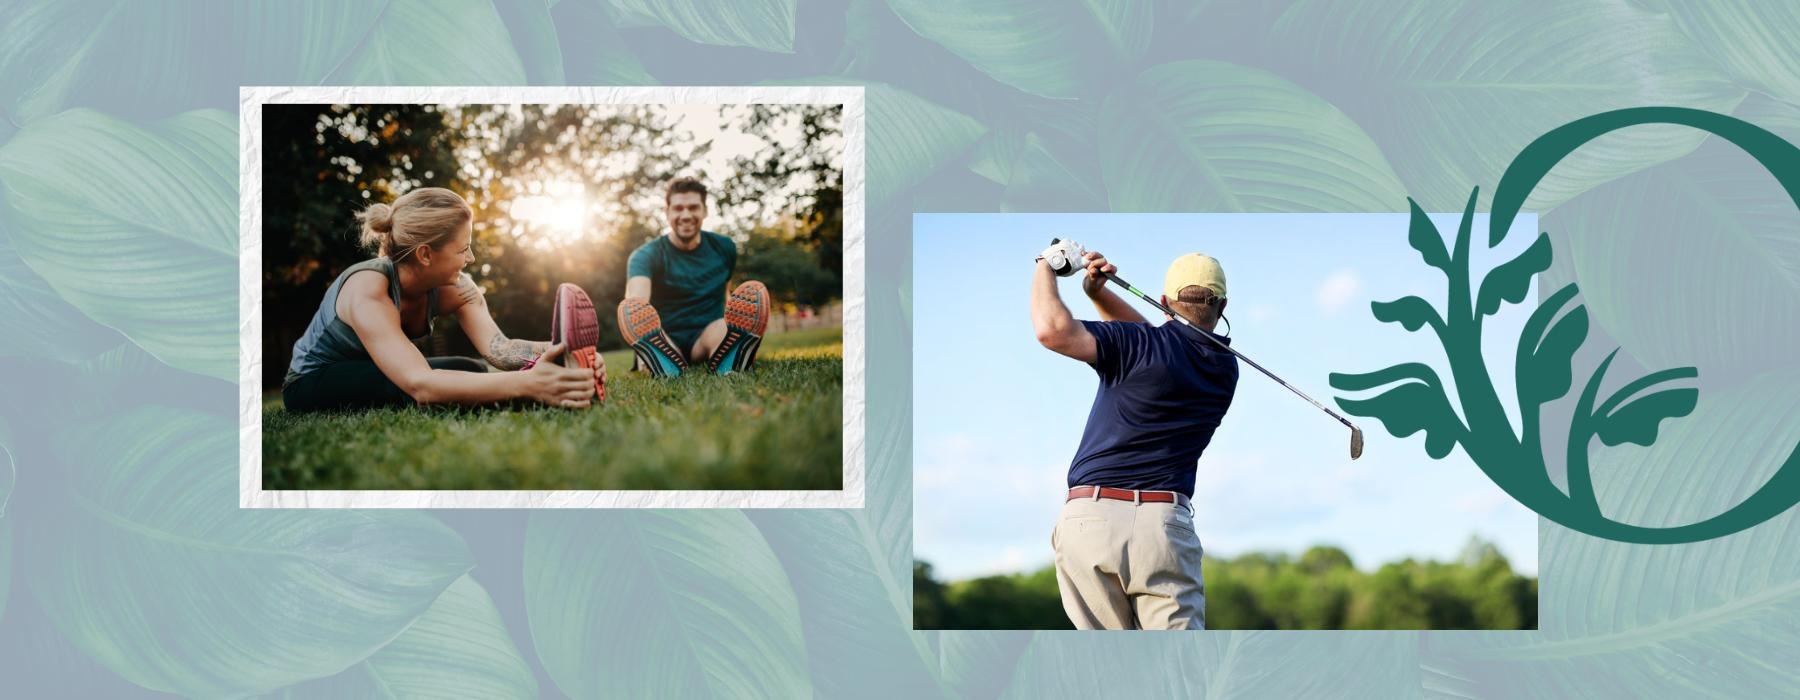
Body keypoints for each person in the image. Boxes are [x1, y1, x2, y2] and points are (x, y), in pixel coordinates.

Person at [1030, 242, 1240, 630]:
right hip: (1164, 528)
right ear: (1222, 307)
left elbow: (1051, 330)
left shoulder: (1137, 345)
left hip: (1089, 522)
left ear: (1163, 301)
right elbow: (1156, 340)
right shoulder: (1225, 369)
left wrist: (1046, 262)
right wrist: (1100, 294)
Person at [282, 187, 603, 412]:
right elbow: (421, 383)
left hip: (374, 369)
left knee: (471, 370)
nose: (472, 257)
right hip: (315, 380)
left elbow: (501, 351)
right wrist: (528, 385)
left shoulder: (458, 288)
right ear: (425, 254)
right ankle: (536, 389)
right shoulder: (368, 289)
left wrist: (563, 351)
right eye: (463, 249)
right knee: (418, 389)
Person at [618, 176, 770, 377]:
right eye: (678, 208)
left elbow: (725, 292)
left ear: (705, 210)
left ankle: (732, 354)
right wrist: (639, 341)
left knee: (724, 329)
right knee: (654, 335)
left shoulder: (724, 247)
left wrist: (731, 323)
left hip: (707, 334)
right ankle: (654, 356)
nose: (686, 215)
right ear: (667, 213)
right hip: (666, 335)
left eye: (693, 207)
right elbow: (636, 304)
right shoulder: (646, 255)